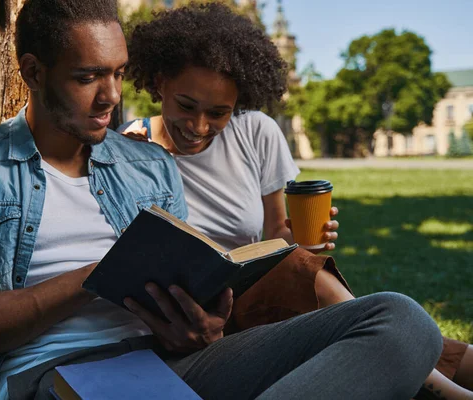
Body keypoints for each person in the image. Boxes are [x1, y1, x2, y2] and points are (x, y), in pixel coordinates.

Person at [0, 0, 443, 399]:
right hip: (57, 374)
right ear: (33, 72)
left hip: (172, 364)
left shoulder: (149, 165)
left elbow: (198, 309)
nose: (111, 97)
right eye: (87, 77)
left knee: (401, 321)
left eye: (119, 73)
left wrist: (203, 324)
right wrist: (93, 278)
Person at [118, 3, 472, 399]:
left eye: (219, 113)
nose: (199, 127)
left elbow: (277, 235)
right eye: (187, 106)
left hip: (257, 291)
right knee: (327, 292)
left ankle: (435, 371)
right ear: (160, 82)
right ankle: (442, 388)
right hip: (192, 315)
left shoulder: (256, 132)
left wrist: (308, 238)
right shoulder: (127, 147)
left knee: (298, 264)